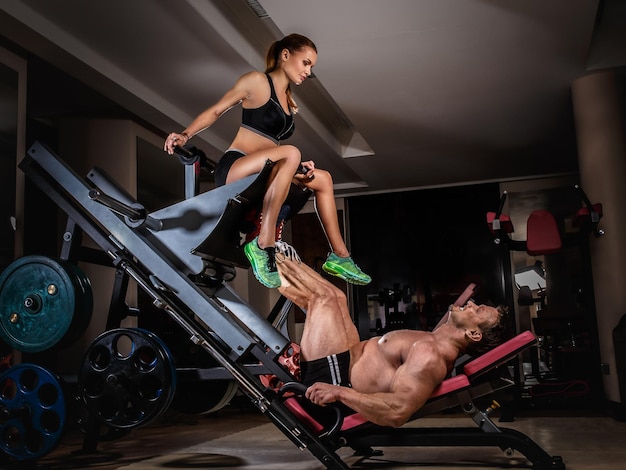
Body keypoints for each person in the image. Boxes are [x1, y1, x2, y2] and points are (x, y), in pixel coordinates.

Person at [163, 33, 370, 289]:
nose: (308, 71)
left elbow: (274, 151)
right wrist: (185, 135)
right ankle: (264, 243)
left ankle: (340, 257)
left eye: (311, 67)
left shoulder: (288, 98)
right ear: (285, 55)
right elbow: (217, 109)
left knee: (322, 179)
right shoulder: (257, 82)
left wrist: (298, 169)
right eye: (305, 62)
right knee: (291, 154)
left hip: (264, 171)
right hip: (236, 168)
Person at [275, 255, 507, 428]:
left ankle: (265, 252)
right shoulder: (434, 341)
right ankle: (271, 251)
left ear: (474, 334)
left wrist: (338, 393)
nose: (472, 304)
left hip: (333, 385)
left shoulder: (431, 356)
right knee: (336, 297)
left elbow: (398, 411)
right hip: (345, 360)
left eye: (478, 310)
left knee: (323, 298)